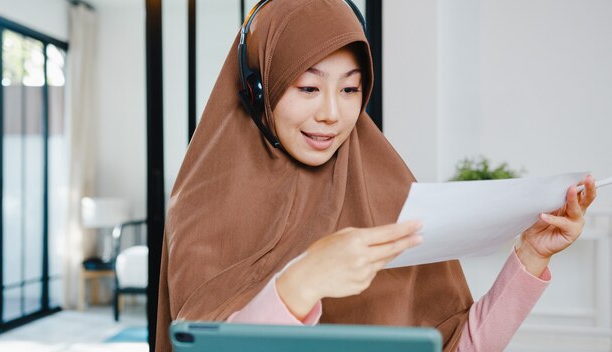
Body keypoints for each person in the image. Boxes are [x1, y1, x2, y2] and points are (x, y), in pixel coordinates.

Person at [155, 0, 597, 351]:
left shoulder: (389, 190)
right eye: (307, 87)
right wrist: (301, 283)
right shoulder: (202, 206)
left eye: (350, 89)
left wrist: (532, 257)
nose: (331, 114)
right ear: (258, 89)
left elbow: (458, 347)